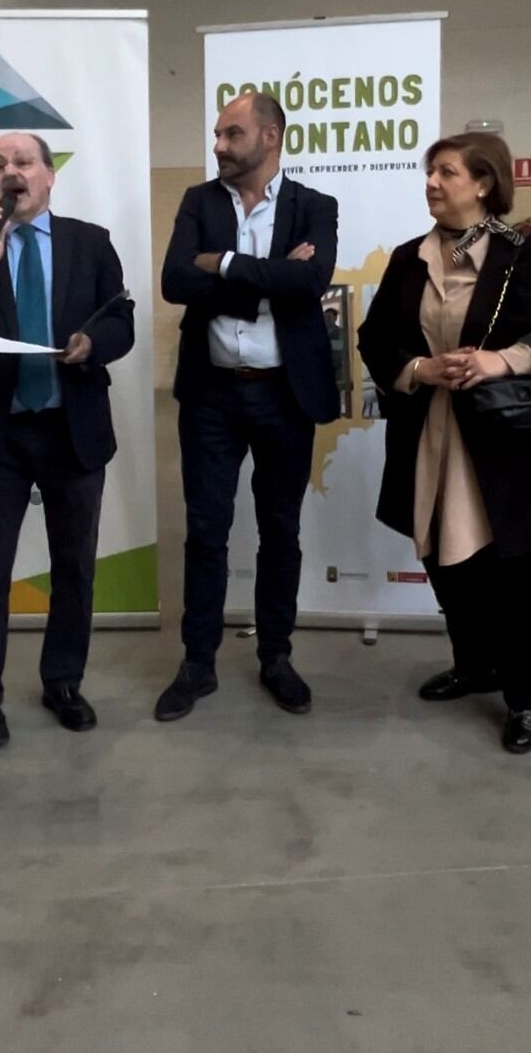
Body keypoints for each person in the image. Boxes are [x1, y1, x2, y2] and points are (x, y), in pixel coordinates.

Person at [358, 133, 531, 753]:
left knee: (528, 574)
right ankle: (477, 665)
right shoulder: (407, 259)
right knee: (447, 562)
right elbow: (375, 339)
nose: (431, 183)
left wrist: (503, 361)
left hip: (517, 445)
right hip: (435, 439)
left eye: (445, 172)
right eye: (429, 172)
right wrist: (420, 371)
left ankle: (527, 699)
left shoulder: (529, 254)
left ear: (483, 184)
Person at [0, 132, 134, 748]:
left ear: (48, 175)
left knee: (74, 568)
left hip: (71, 430)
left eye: (22, 162)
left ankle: (63, 682)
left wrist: (94, 344)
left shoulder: (90, 242)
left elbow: (120, 317)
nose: (10, 172)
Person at [155, 92, 339, 721]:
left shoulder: (316, 207)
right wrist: (266, 278)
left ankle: (276, 658)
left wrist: (227, 263)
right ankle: (197, 664)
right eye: (216, 134)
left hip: (284, 394)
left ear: (270, 136)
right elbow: (175, 281)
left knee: (278, 531)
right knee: (205, 530)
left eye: (231, 134)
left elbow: (311, 284)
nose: (218, 145)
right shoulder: (198, 201)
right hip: (211, 394)